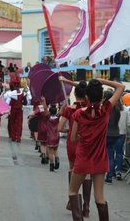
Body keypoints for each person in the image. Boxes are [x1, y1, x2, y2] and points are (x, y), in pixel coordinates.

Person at [68, 78, 124, 221]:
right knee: (100, 197)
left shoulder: (79, 114)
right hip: (100, 158)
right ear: (102, 96)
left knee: (73, 191)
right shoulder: (105, 109)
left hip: (83, 158)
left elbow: (73, 138)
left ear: (86, 97)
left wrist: (85, 137)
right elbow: (120, 87)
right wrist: (101, 80)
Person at [58, 79, 92, 217]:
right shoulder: (90, 108)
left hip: (72, 143)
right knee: (87, 172)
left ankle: (73, 201)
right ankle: (87, 206)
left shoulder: (69, 109)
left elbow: (59, 128)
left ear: (75, 94)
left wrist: (69, 130)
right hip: (87, 142)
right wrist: (67, 81)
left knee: (73, 169)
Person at [103, 90, 122, 184]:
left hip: (106, 133)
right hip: (115, 133)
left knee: (104, 155)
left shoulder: (106, 109)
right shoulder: (117, 109)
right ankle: (110, 175)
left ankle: (104, 174)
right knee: (111, 154)